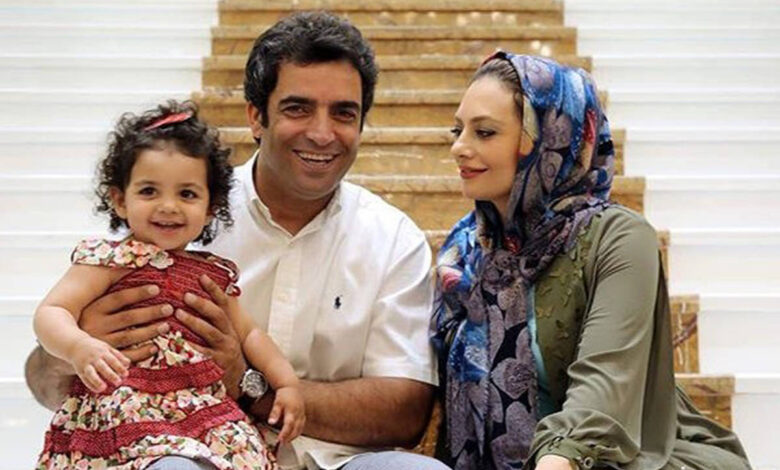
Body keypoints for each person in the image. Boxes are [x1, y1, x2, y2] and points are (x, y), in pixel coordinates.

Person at [26, 12, 447, 470]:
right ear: (255, 117)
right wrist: (78, 348)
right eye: (298, 108)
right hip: (184, 451)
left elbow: (404, 413)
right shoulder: (174, 214)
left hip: (335, 460)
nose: (322, 133)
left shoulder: (391, 238)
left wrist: (248, 384)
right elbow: (43, 374)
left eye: (344, 113)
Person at [430, 51, 752, 470]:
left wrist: (557, 460)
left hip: (619, 458)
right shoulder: (464, 254)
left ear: (551, 139)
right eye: (458, 130)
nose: (459, 148)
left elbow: (604, 385)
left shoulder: (618, 238)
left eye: (485, 132)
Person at [32, 100, 305, 469]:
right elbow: (51, 312)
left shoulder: (211, 275)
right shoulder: (109, 261)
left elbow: (251, 334)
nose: (169, 206)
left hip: (201, 410)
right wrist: (78, 346)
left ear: (210, 208)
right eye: (149, 191)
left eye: (187, 194)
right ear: (120, 200)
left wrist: (286, 384)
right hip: (126, 405)